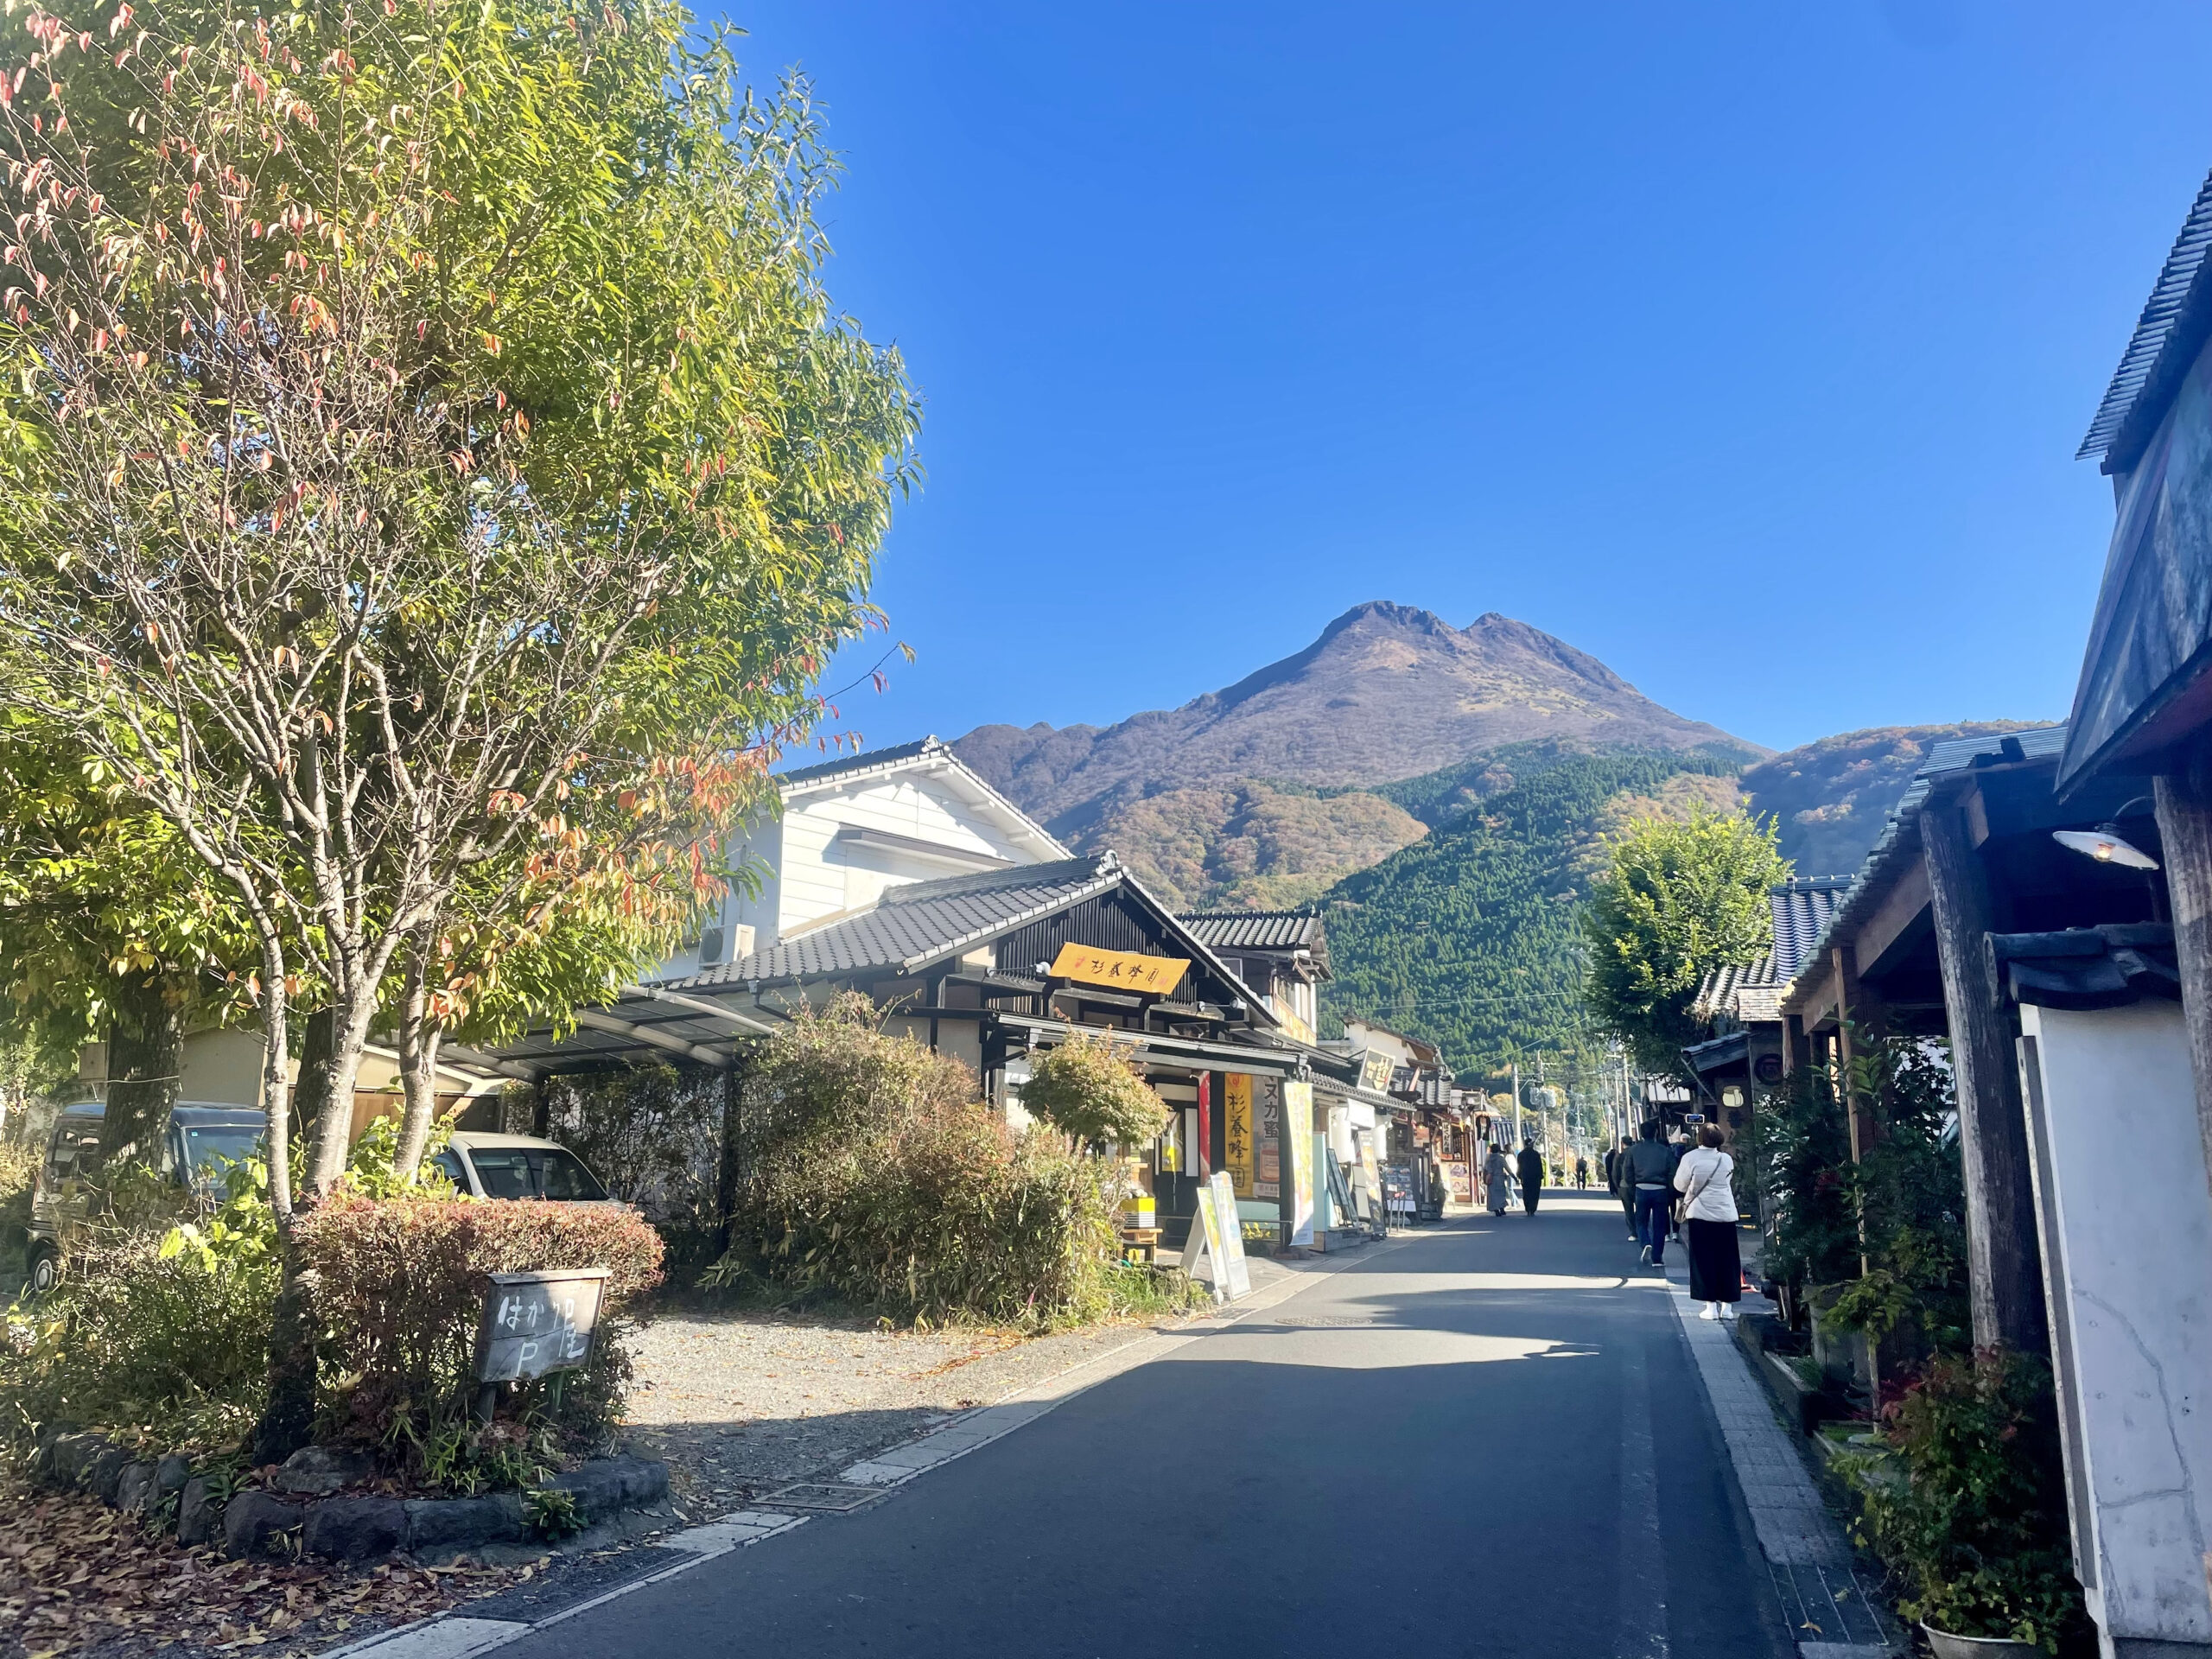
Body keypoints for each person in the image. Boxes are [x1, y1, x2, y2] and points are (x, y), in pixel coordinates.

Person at [1675, 1123, 1742, 1319]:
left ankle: (1710, 1307)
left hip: (1701, 1215)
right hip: (1726, 1214)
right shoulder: (1726, 1159)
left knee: (1704, 1261)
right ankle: (1728, 1308)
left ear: (1700, 1139)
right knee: (1728, 1261)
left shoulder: (1690, 1158)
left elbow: (1679, 1185)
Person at [1622, 1120, 1678, 1266]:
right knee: (1660, 1225)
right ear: (1656, 1133)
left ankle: (1645, 1242)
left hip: (1641, 1188)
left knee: (1641, 1221)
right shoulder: (1665, 1151)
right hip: (1661, 1190)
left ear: (1641, 1134)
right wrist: (1670, 1191)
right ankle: (1657, 1258)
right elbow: (1673, 1172)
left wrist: (1633, 1187)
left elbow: (1627, 1171)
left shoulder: (1633, 1151)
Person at [1516, 1138, 1545, 1217]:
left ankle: (1528, 1208)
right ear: (1531, 1144)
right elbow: (1539, 1166)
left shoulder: (1521, 1154)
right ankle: (1533, 1208)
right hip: (1535, 1177)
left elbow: (1519, 1166)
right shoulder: (1536, 1154)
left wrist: (1519, 1175)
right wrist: (1541, 1175)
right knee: (1535, 1193)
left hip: (1525, 1176)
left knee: (1526, 1192)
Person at [1484, 1142, 1512, 1217]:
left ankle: (1496, 1210)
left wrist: (1484, 1178)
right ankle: (1502, 1208)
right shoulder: (1501, 1158)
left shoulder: (1488, 1158)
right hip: (1500, 1178)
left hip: (1491, 1178)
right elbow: (1508, 1169)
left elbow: (1485, 1169)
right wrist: (1514, 1177)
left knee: (1493, 1195)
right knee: (1501, 1194)